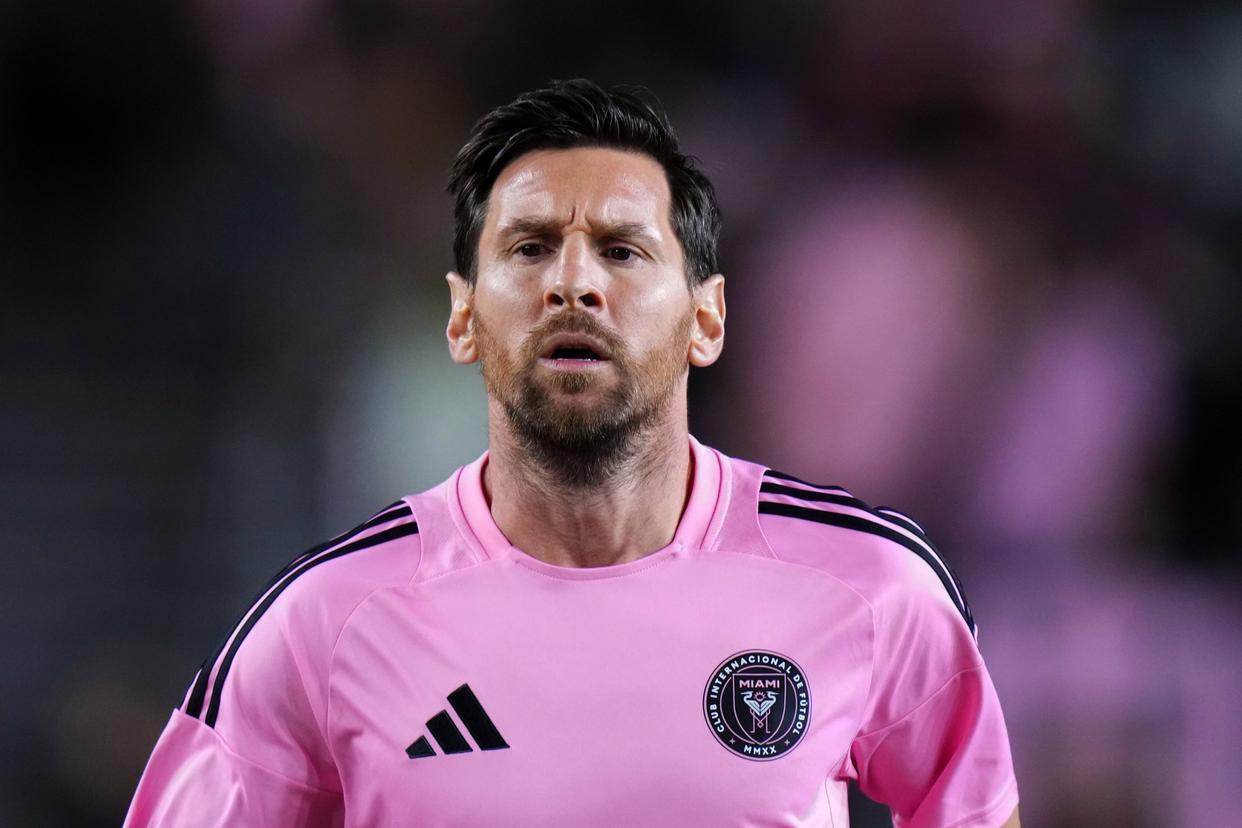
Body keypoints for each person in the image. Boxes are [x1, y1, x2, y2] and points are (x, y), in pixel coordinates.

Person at [125, 79, 1020, 827]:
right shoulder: (325, 621)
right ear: (463, 317)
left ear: (706, 318)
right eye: (530, 249)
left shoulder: (871, 583)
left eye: (623, 252)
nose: (574, 283)